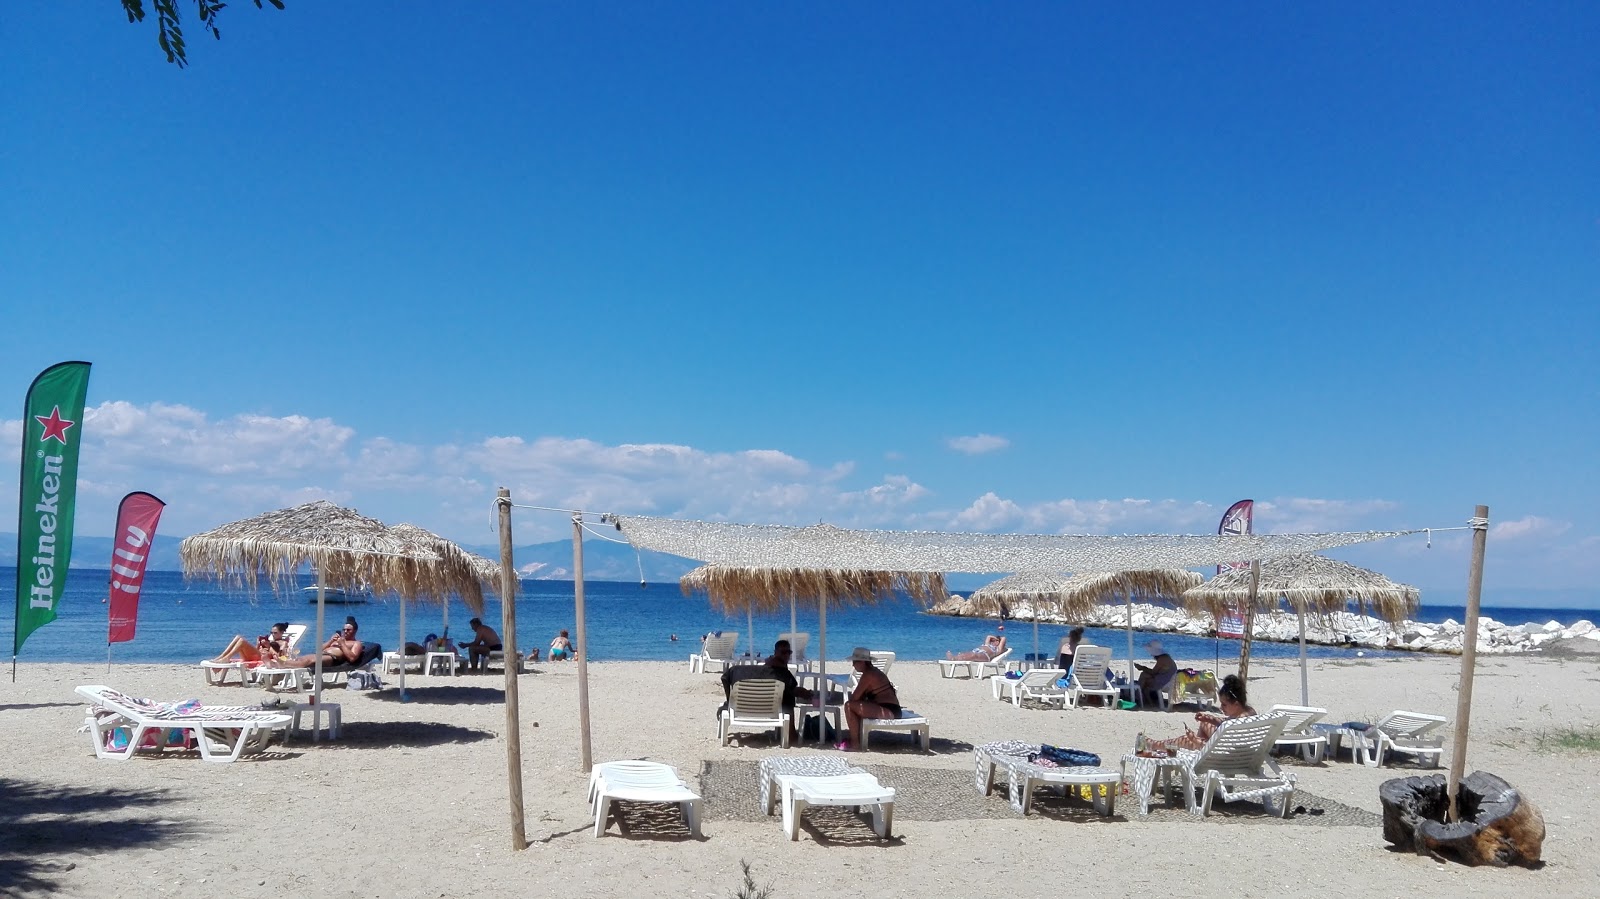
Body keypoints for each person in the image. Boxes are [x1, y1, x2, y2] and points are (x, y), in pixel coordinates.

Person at [1145, 674, 1255, 753]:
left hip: (1223, 757)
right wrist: (1211, 719)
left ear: (1236, 704)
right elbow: (1227, 723)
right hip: (1242, 755)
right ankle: (1155, 744)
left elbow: (1221, 748)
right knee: (1203, 723)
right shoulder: (1248, 713)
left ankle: (1155, 744)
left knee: (1188, 740)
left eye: (1224, 704)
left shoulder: (1236, 725)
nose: (1221, 708)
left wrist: (1196, 740)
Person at [839, 647, 900, 751]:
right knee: (855, 706)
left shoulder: (869, 675)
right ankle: (856, 739)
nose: (853, 665)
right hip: (889, 708)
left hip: (888, 710)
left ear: (862, 662)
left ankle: (855, 743)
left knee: (849, 706)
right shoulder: (872, 671)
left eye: (854, 661)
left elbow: (854, 698)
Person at [764, 639, 816, 742]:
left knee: (786, 695)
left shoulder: (768, 666)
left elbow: (788, 687)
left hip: (762, 703)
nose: (786, 655)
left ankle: (789, 732)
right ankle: (791, 734)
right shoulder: (780, 671)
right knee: (788, 698)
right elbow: (792, 690)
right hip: (771, 706)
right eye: (783, 652)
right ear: (775, 653)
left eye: (789, 652)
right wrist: (805, 693)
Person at [276, 616, 362, 669]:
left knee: (309, 661)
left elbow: (352, 658)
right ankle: (277, 664)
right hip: (321, 654)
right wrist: (331, 641)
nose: (345, 631)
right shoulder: (338, 639)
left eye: (348, 630)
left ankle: (282, 664)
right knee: (300, 658)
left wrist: (342, 644)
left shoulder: (356, 643)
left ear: (355, 630)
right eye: (344, 629)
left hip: (332, 659)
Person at [211, 621, 293, 666]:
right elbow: (257, 650)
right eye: (271, 632)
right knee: (238, 637)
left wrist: (269, 647)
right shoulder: (271, 641)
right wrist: (258, 644)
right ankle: (222, 656)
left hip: (262, 659)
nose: (273, 635)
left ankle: (227, 658)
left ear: (282, 632)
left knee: (242, 640)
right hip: (255, 657)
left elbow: (281, 657)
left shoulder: (283, 643)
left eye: (275, 633)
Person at [1135, 639, 1178, 706]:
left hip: (1165, 682)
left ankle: (1139, 697)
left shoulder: (1162, 659)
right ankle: (1144, 698)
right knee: (1144, 676)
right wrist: (1144, 668)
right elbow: (1156, 672)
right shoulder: (1166, 657)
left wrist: (1142, 668)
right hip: (1168, 680)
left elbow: (1153, 672)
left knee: (1144, 676)